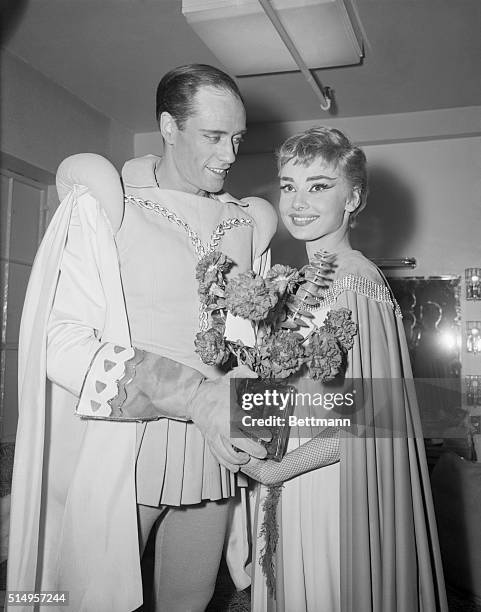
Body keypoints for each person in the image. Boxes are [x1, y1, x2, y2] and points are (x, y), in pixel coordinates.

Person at [7, 64, 277, 612]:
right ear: (168, 126)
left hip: (211, 450)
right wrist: (191, 394)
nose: (229, 155)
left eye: (237, 139)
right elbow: (59, 340)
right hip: (128, 443)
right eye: (213, 136)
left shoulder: (246, 223)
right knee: (93, 598)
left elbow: (248, 344)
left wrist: (253, 413)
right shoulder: (109, 202)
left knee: (191, 599)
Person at [243, 127, 448, 611]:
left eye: (318, 185)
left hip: (330, 484)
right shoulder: (307, 282)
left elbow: (369, 419)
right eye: (288, 184)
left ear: (352, 197)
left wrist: (276, 470)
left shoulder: (355, 280)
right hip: (291, 475)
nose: (297, 201)